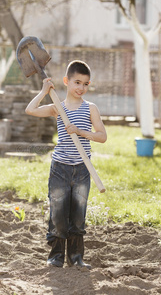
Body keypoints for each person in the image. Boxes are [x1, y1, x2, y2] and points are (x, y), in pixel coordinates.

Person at [25, 60, 107, 269]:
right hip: (60, 168)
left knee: (78, 214)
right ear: (66, 81)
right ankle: (56, 256)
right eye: (77, 82)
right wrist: (44, 90)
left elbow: (102, 136)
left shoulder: (90, 108)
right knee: (58, 212)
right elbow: (30, 110)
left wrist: (80, 131)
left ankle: (76, 257)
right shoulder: (57, 108)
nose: (81, 88)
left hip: (82, 168)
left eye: (86, 84)